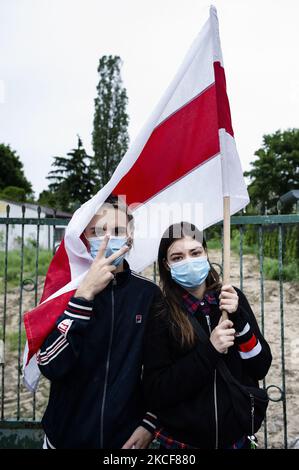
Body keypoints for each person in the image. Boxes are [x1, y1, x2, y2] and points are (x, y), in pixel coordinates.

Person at [38, 195, 160, 449]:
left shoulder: (148, 295)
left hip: (124, 442)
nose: (108, 239)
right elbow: (50, 364)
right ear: (85, 237)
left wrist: (149, 423)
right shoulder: (66, 289)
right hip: (65, 438)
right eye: (98, 231)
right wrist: (83, 296)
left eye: (117, 230)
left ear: (131, 236)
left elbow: (161, 367)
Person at [142, 221, 272, 449]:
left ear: (206, 252)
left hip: (235, 440)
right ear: (166, 264)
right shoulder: (161, 313)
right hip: (181, 444)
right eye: (178, 257)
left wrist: (239, 319)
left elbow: (260, 366)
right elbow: (157, 391)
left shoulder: (232, 299)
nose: (189, 261)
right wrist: (209, 351)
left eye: (195, 252)